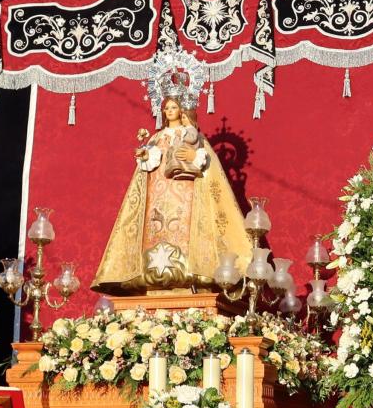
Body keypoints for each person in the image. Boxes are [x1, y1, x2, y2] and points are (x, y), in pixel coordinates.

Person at [93, 65, 253, 295]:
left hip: (187, 195)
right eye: (166, 107)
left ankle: (193, 270)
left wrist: (193, 158)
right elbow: (149, 162)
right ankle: (151, 274)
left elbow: (207, 167)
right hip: (158, 195)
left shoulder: (194, 137)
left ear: (182, 110)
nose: (169, 110)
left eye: (174, 107)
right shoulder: (157, 137)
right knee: (156, 230)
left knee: (186, 231)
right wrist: (144, 156)